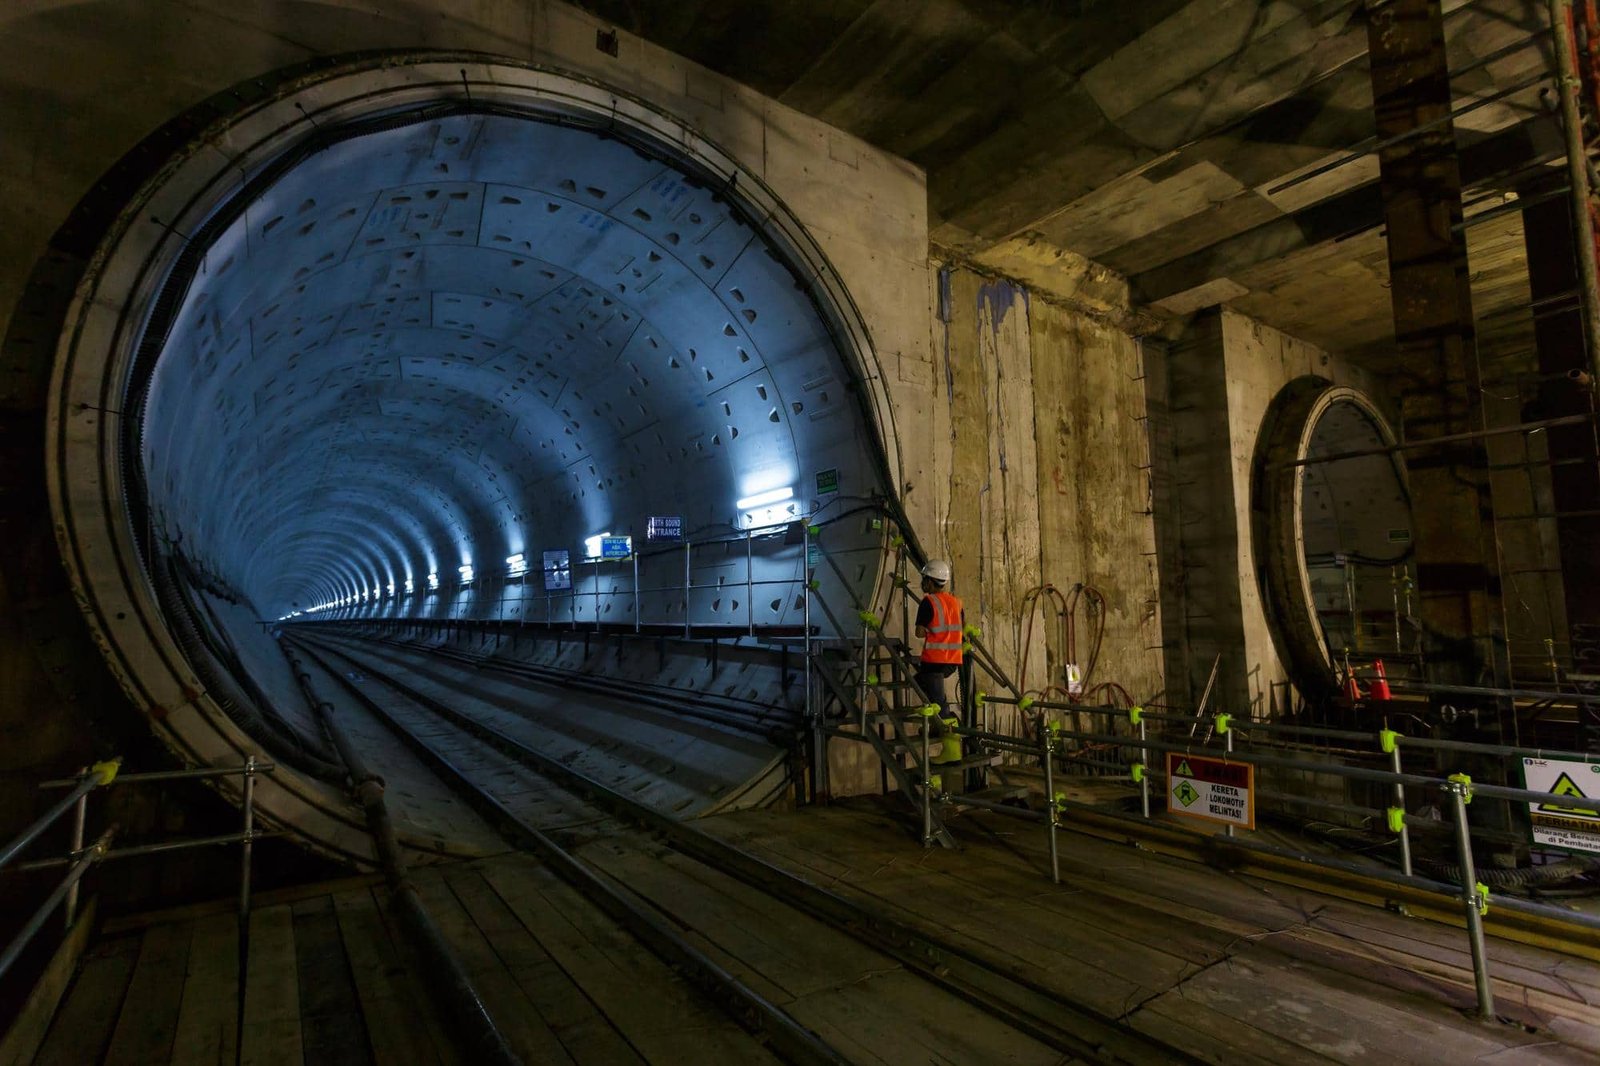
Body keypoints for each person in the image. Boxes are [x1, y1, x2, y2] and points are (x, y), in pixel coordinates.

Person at [914, 559, 963, 720]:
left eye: (924, 579)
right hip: (953, 661)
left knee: (937, 701)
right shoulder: (956, 603)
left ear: (930, 581)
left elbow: (919, 633)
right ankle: (939, 723)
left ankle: (948, 725)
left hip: (934, 661)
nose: (922, 583)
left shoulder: (928, 602)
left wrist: (930, 631)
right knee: (922, 685)